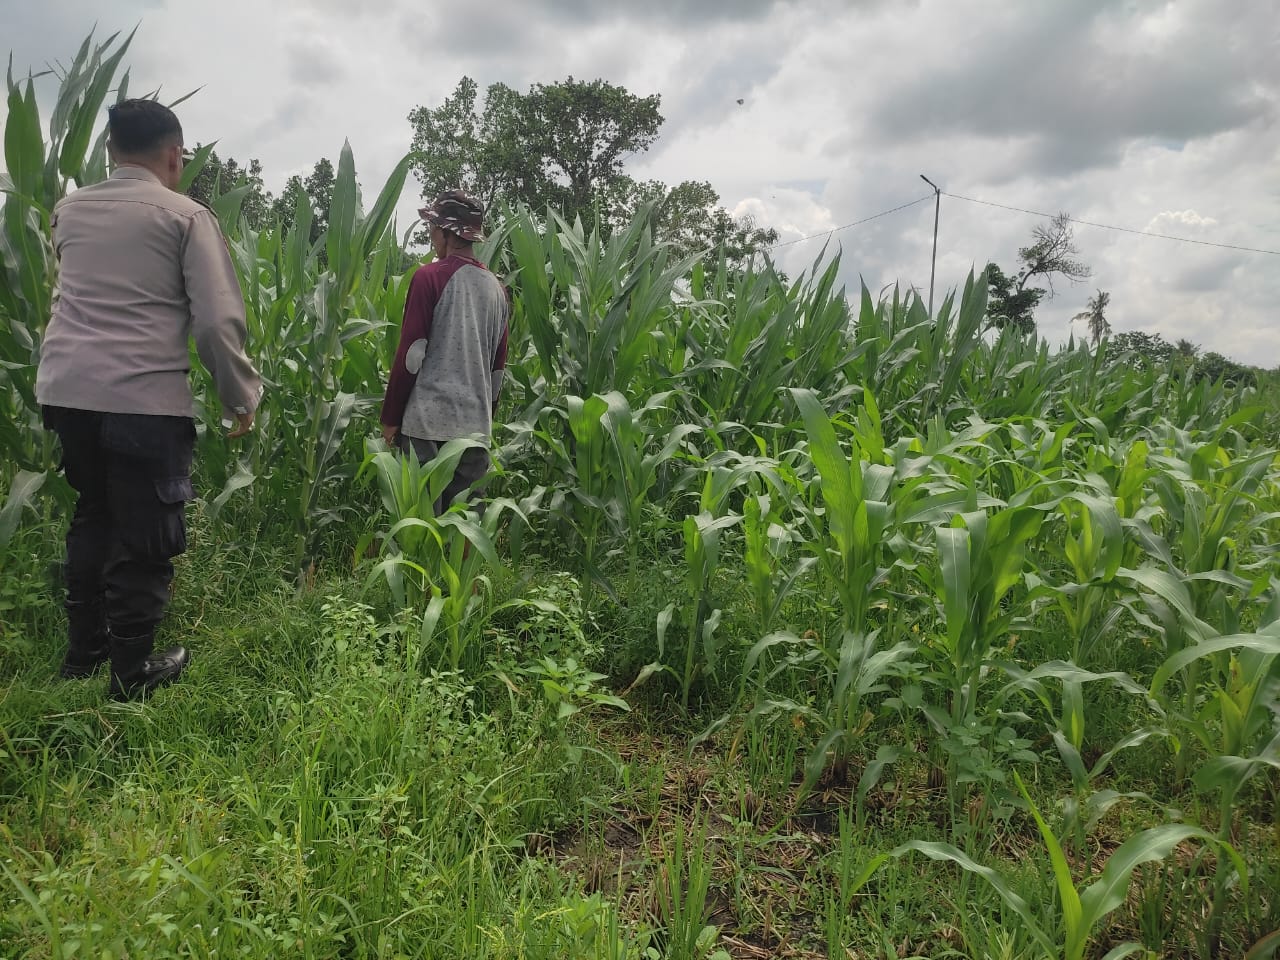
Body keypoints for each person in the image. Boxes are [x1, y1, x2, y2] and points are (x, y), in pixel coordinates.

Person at [35, 98, 261, 701]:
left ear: (111, 153)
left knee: (94, 513)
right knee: (147, 532)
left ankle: (84, 653)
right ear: (174, 154)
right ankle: (131, 674)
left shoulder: (69, 209)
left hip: (67, 393)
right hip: (143, 399)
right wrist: (241, 395)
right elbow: (215, 324)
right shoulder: (185, 216)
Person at [379, 190, 509, 513]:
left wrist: (391, 418)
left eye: (433, 228)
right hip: (474, 433)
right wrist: (485, 418)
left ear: (447, 233)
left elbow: (411, 356)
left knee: (421, 531)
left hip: (425, 428)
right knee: (463, 536)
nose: (431, 235)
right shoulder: (498, 290)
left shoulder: (428, 278)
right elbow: (497, 372)